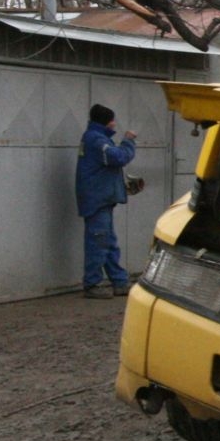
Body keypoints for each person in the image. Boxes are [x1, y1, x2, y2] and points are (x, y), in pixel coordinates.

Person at [76, 103, 138, 298]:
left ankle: (119, 282)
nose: (114, 124)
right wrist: (128, 141)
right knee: (98, 241)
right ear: (106, 121)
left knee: (108, 242)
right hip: (97, 199)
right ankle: (92, 284)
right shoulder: (96, 139)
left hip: (102, 197)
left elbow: (104, 169)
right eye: (112, 120)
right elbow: (118, 158)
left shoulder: (95, 137)